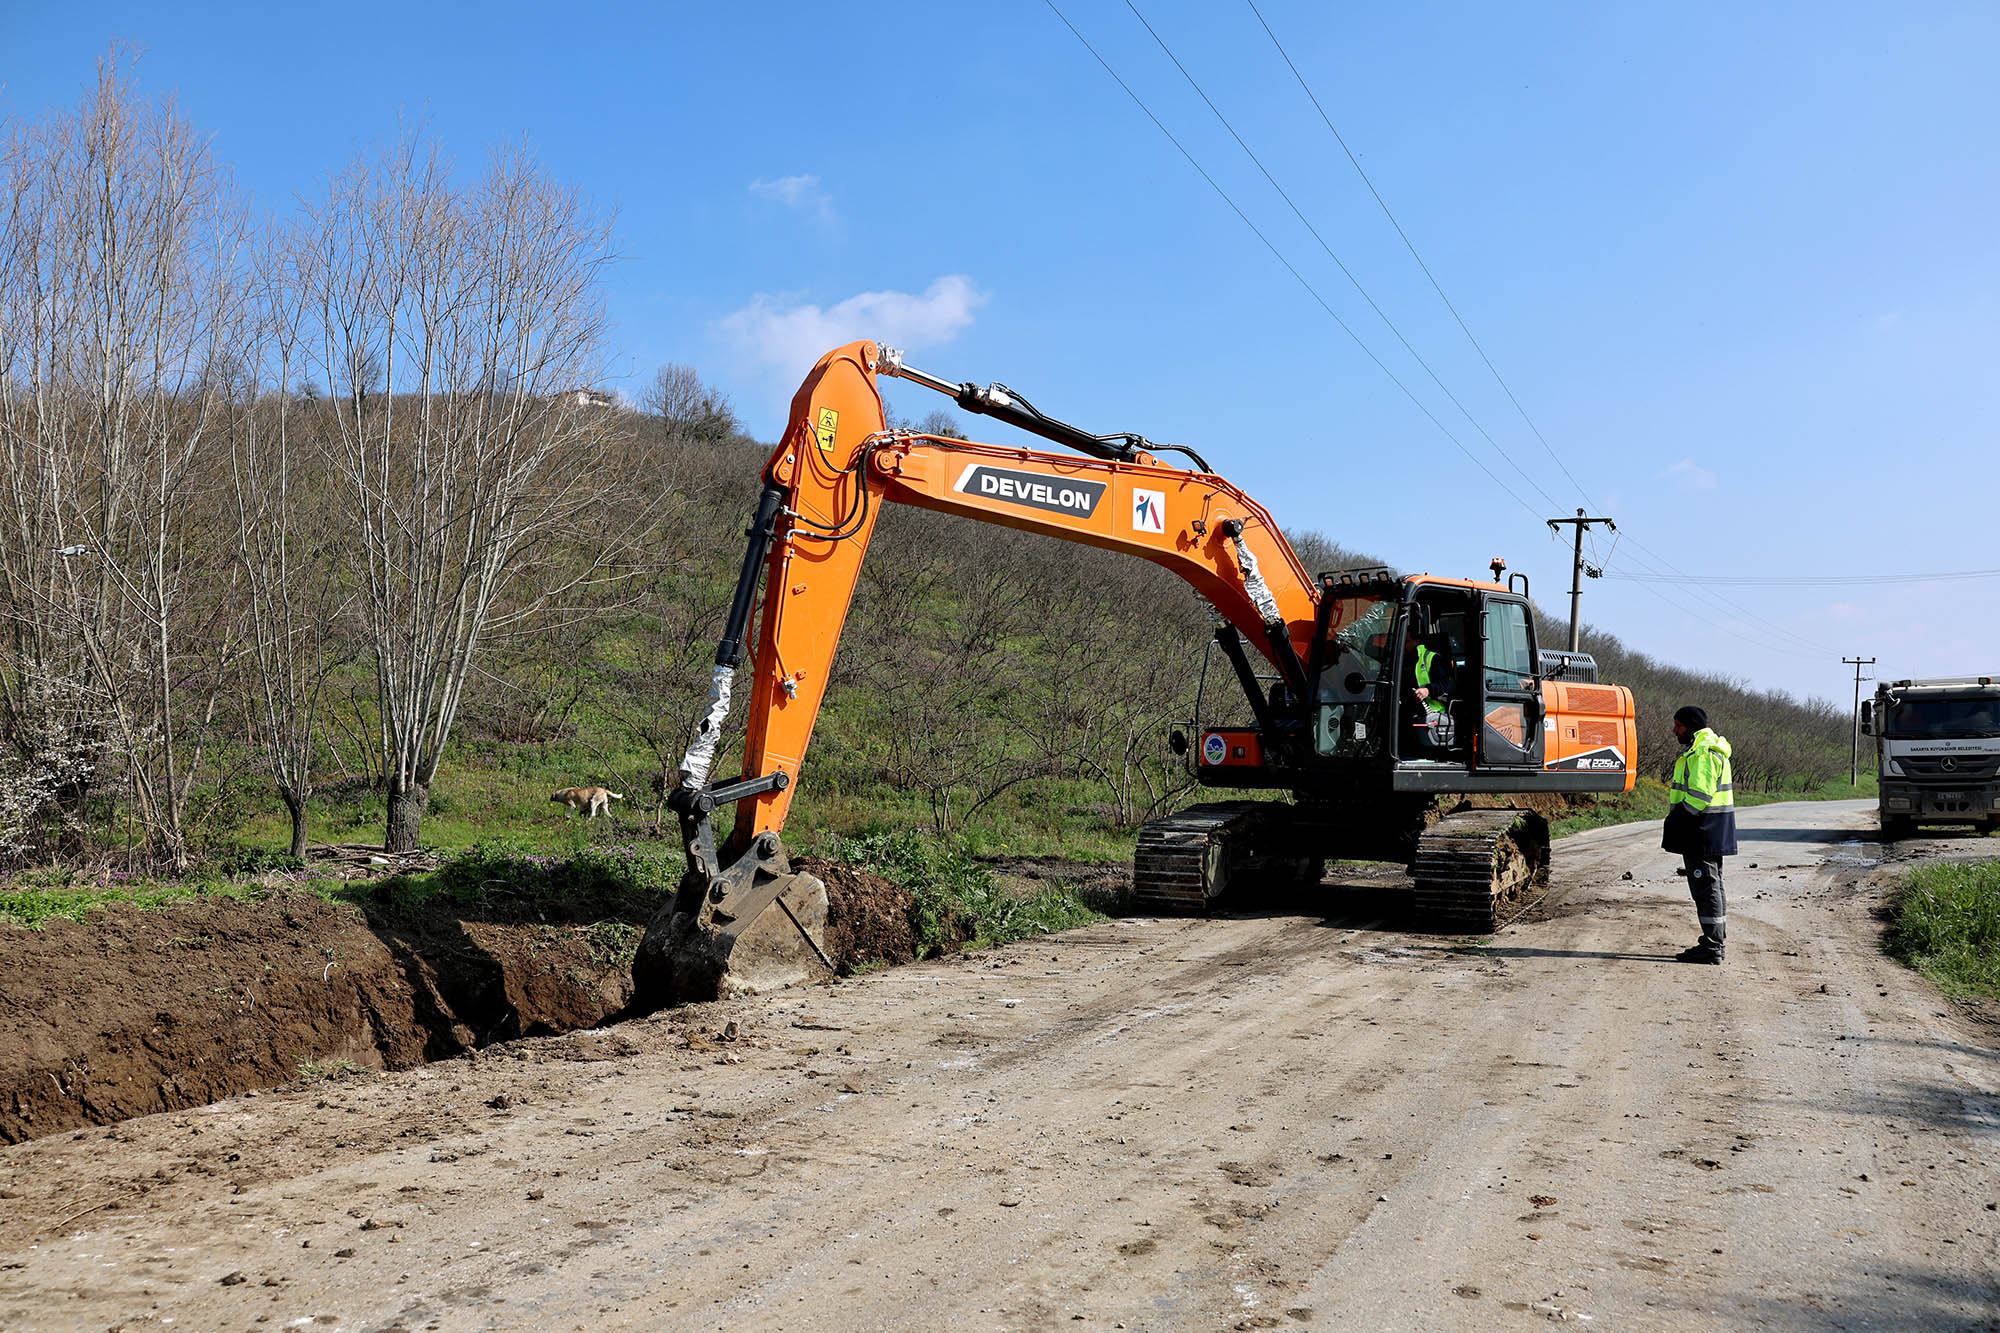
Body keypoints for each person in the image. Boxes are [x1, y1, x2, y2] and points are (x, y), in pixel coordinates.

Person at [1662, 705, 1737, 963]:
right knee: (1712, 886)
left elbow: (1700, 796)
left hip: (1701, 830)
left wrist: (1678, 818)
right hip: (1710, 830)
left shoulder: (1702, 753)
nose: (1675, 730)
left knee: (1706, 888)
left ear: (1691, 726)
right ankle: (1715, 943)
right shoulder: (1706, 749)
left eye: (1679, 725)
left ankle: (1712, 947)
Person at [1402, 622, 1455, 754]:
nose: (1403, 645)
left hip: (1432, 717)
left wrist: (1428, 690)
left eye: (1406, 641)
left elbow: (1446, 684)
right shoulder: (1400, 661)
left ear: (1417, 641)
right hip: (1409, 713)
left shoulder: (1432, 659)